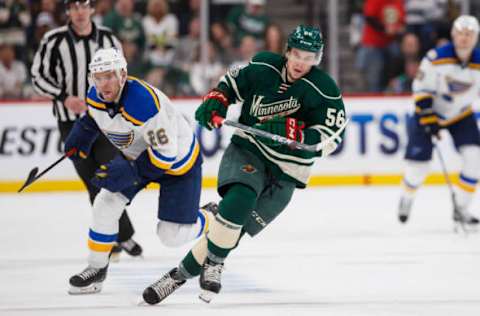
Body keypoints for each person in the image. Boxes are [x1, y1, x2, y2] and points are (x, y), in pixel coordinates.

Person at [141, 25, 347, 305]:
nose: (302, 62)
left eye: (309, 57)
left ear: (318, 59)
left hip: (288, 172)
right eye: (297, 54)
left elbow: (332, 137)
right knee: (241, 198)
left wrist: (297, 134)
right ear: (287, 51)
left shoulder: (324, 89)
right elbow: (231, 84)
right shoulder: (264, 66)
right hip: (249, 150)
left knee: (231, 230)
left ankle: (177, 276)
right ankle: (216, 263)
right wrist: (218, 100)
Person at [66, 47, 217, 295]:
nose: (103, 83)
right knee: (105, 203)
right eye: (98, 77)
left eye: (110, 76)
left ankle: (211, 217)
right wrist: (80, 138)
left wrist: (130, 171)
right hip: (138, 157)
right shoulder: (95, 95)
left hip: (178, 164)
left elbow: (165, 157)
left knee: (172, 236)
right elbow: (96, 118)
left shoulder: (145, 104)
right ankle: (96, 269)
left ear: (123, 75)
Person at [30, 0, 142, 260]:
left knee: (111, 175)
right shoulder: (53, 40)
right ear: (68, 11)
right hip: (70, 122)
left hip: (104, 121)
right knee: (92, 180)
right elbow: (37, 76)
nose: (80, 11)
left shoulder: (108, 38)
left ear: (92, 9)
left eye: (84, 6)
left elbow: (123, 76)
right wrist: (63, 96)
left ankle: (118, 236)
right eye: (74, 7)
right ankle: (119, 236)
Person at [398, 15, 480, 226]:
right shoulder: (436, 57)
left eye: (469, 34)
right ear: (453, 35)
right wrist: (428, 117)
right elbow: (420, 89)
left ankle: (461, 208)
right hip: (428, 114)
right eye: (461, 33)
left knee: (475, 159)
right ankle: (406, 197)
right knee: (418, 167)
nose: (464, 38)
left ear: (476, 37)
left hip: (461, 115)